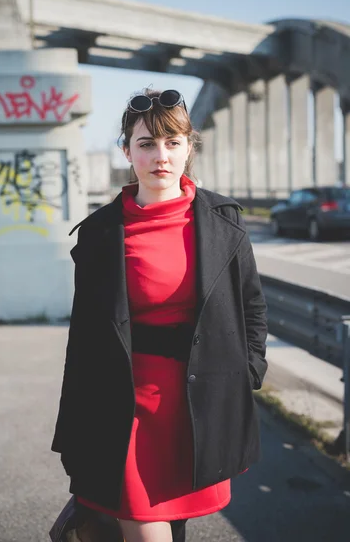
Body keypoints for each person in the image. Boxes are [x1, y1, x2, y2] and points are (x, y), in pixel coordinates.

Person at [51, 88, 268, 542]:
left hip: (199, 403)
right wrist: (74, 427)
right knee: (145, 528)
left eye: (172, 142)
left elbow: (251, 305)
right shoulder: (100, 234)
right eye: (146, 143)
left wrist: (248, 371)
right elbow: (84, 340)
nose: (160, 155)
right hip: (126, 405)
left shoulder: (223, 221)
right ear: (126, 150)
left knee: (175, 525)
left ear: (190, 146)